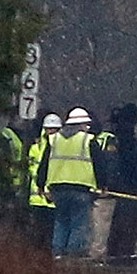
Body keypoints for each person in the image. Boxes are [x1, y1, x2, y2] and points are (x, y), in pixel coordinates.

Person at [40, 106, 100, 259]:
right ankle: (73, 256)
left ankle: (58, 253)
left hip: (58, 189)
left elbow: (44, 164)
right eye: (86, 124)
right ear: (80, 125)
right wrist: (102, 185)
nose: (87, 128)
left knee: (61, 221)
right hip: (81, 189)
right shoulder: (88, 140)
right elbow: (100, 165)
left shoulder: (54, 140)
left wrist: (41, 184)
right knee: (79, 223)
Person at [103, 103, 137, 260]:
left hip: (118, 184)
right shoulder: (124, 139)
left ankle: (116, 251)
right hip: (126, 184)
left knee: (115, 221)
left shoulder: (112, 136)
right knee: (125, 220)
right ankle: (123, 252)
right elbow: (122, 161)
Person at [27, 112, 60, 249]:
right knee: (38, 234)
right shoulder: (36, 147)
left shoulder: (60, 145)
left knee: (50, 234)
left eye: (54, 129)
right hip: (38, 197)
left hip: (52, 199)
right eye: (48, 129)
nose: (50, 132)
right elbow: (34, 169)